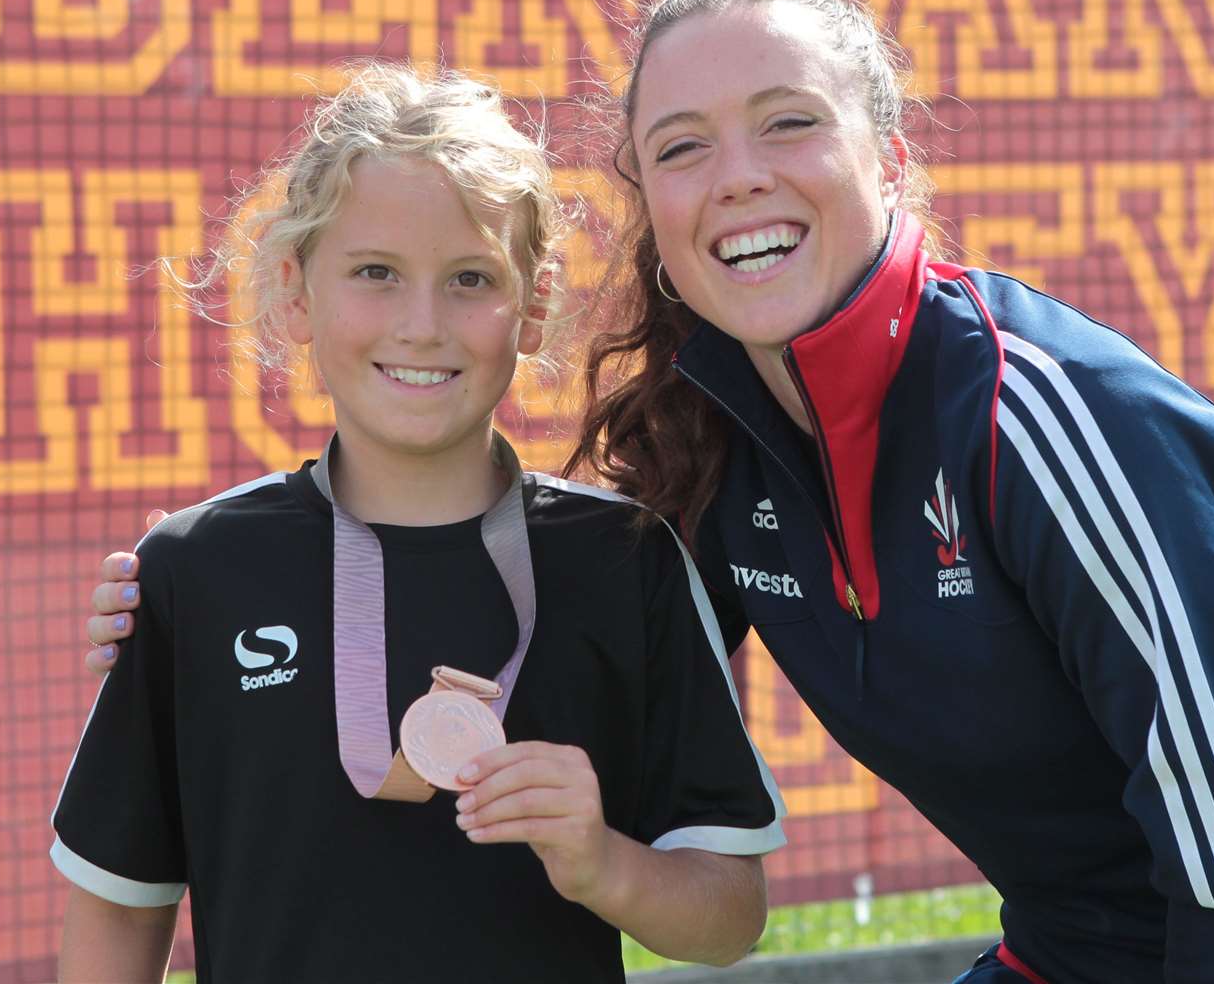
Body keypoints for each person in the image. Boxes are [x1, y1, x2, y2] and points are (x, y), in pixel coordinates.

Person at [83, 0, 1214, 984]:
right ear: (656, 211)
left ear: (892, 151)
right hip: (1088, 956)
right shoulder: (711, 458)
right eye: (682, 148)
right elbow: (554, 650)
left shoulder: (1046, 413)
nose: (737, 175)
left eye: (788, 122)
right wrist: (179, 613)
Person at [55, 61, 785, 984]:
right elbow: (120, 913)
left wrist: (605, 863)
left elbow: (728, 917)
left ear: (535, 303)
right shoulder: (192, 571)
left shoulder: (625, 560)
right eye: (375, 273)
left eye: (471, 278)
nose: (422, 324)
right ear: (294, 289)